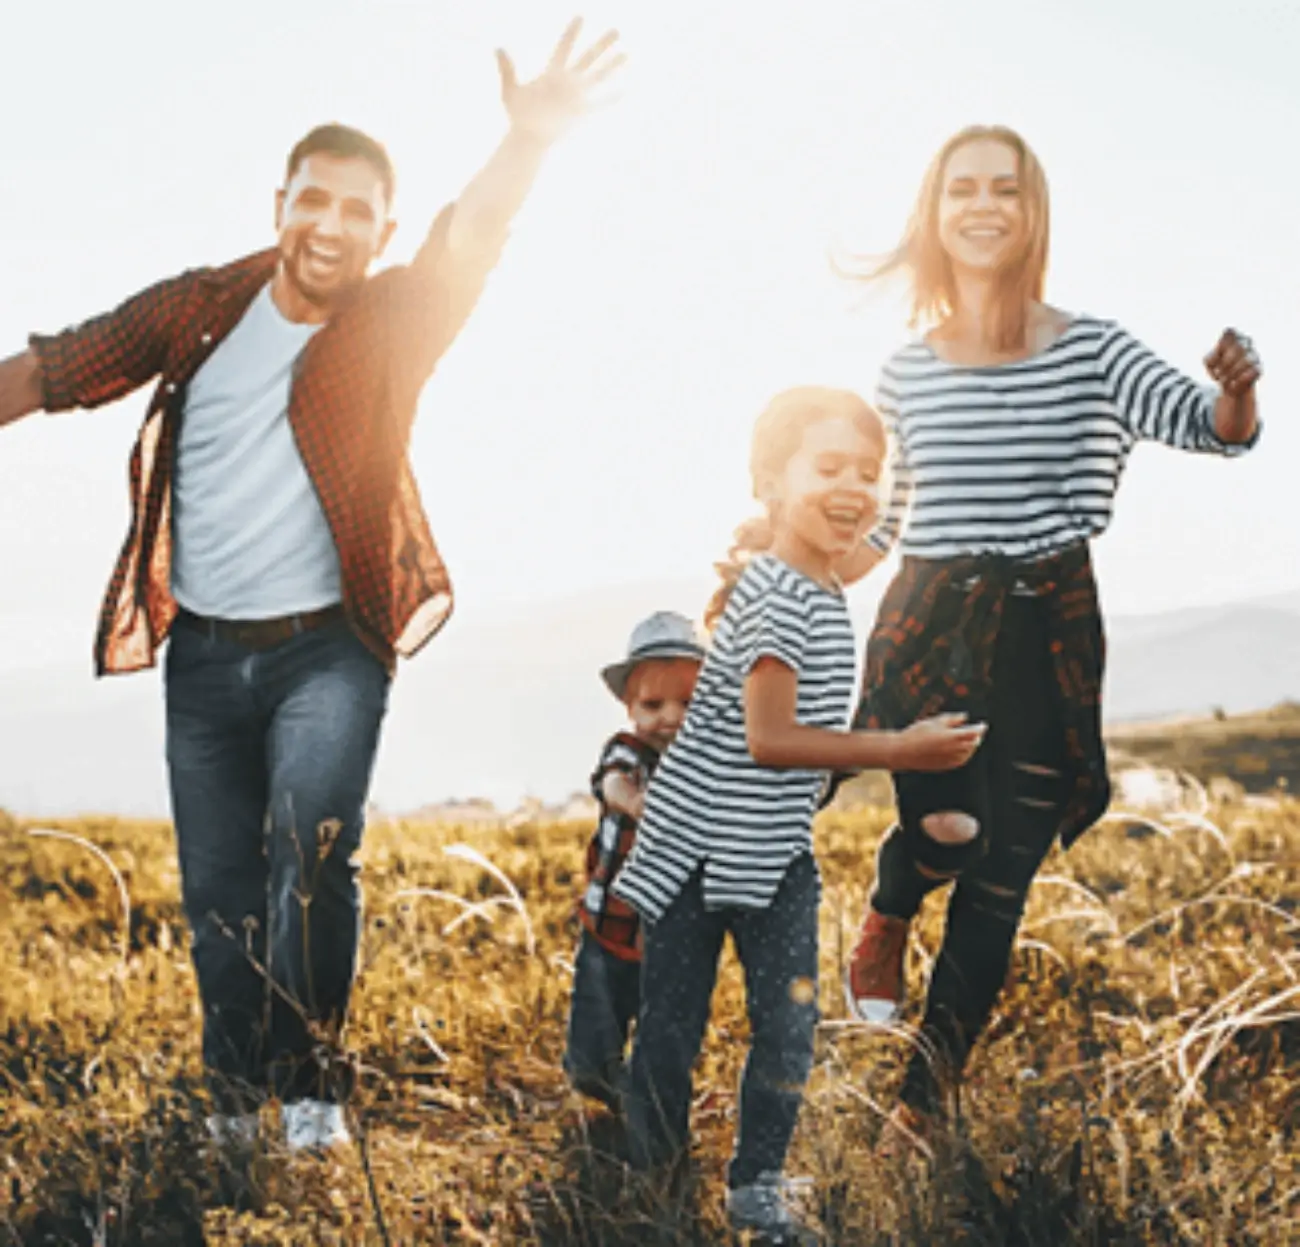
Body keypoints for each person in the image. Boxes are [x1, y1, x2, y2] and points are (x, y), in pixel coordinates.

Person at [0, 19, 624, 1153]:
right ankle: (237, 1101)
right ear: (280, 202)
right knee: (218, 894)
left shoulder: (395, 321)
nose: (330, 225)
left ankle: (311, 1090)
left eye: (356, 211)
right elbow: (57, 368)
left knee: (312, 846)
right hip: (203, 654)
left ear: (381, 229)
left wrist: (523, 145)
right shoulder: (198, 307)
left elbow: (469, 239)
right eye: (313, 200)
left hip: (327, 647)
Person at [837, 124, 1263, 1147]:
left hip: (1047, 628)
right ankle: (893, 899)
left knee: (1001, 878)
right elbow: (888, 523)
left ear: (1033, 214)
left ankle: (919, 1106)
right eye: (961, 190)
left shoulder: (1093, 348)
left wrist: (1238, 386)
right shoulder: (905, 371)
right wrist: (791, 564)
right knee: (950, 833)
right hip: (933, 624)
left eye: (1006, 190)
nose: (984, 206)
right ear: (934, 216)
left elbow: (1215, 428)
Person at [611, 388, 984, 1243]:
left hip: (772, 851)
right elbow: (771, 738)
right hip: (702, 853)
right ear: (769, 483)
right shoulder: (781, 597)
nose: (854, 486)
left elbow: (870, 539)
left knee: (786, 1024)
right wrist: (902, 749)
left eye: (868, 472)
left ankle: (756, 1188)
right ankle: (656, 1185)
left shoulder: (821, 567)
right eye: (829, 469)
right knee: (674, 1023)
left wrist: (917, 455)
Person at [562, 610, 705, 1112]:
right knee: (588, 1057)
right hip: (608, 928)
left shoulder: (707, 766)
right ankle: (606, 1086)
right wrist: (639, 802)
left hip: (671, 941)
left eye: (688, 703)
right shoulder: (629, 751)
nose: (671, 717)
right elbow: (612, 781)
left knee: (664, 1042)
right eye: (653, 704)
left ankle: (648, 1106)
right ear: (629, 706)